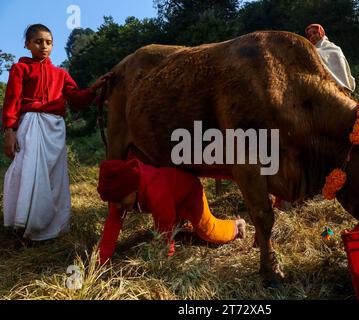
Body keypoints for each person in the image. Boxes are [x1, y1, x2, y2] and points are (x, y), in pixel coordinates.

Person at [2, 24, 112, 241]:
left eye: (49, 42)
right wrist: (9, 131)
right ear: (27, 44)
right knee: (29, 172)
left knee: (54, 177)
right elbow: (12, 102)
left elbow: (77, 100)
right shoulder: (20, 69)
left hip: (55, 128)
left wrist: (93, 89)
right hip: (31, 124)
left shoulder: (61, 74)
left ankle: (52, 228)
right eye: (38, 41)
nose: (44, 46)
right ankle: (25, 226)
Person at [97, 158, 246, 264]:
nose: (116, 206)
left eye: (119, 201)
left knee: (208, 232)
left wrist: (163, 264)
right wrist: (100, 262)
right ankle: (183, 224)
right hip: (171, 199)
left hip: (189, 194)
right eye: (112, 202)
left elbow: (164, 232)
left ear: (133, 189)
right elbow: (111, 229)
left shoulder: (155, 191)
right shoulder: (119, 195)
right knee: (177, 226)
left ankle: (236, 226)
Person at [305, 23, 356, 92]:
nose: (312, 36)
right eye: (310, 35)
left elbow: (342, 69)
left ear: (321, 33)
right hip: (324, 88)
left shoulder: (334, 49)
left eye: (315, 33)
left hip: (341, 89)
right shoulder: (311, 50)